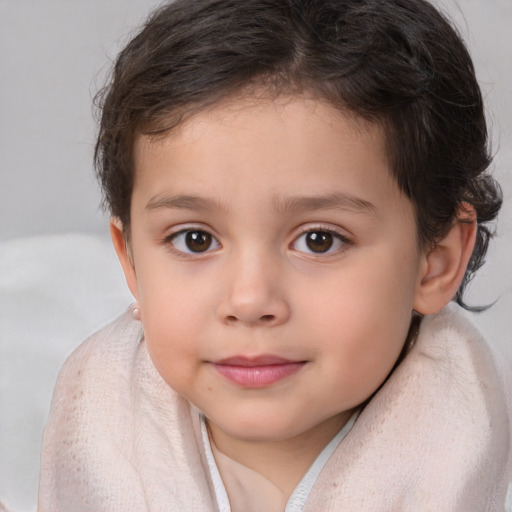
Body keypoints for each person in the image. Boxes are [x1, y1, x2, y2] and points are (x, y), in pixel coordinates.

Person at [38, 0, 511, 510]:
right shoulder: (94, 430)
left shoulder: (461, 458)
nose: (249, 300)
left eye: (319, 240)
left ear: (435, 261)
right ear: (130, 262)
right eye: (195, 239)